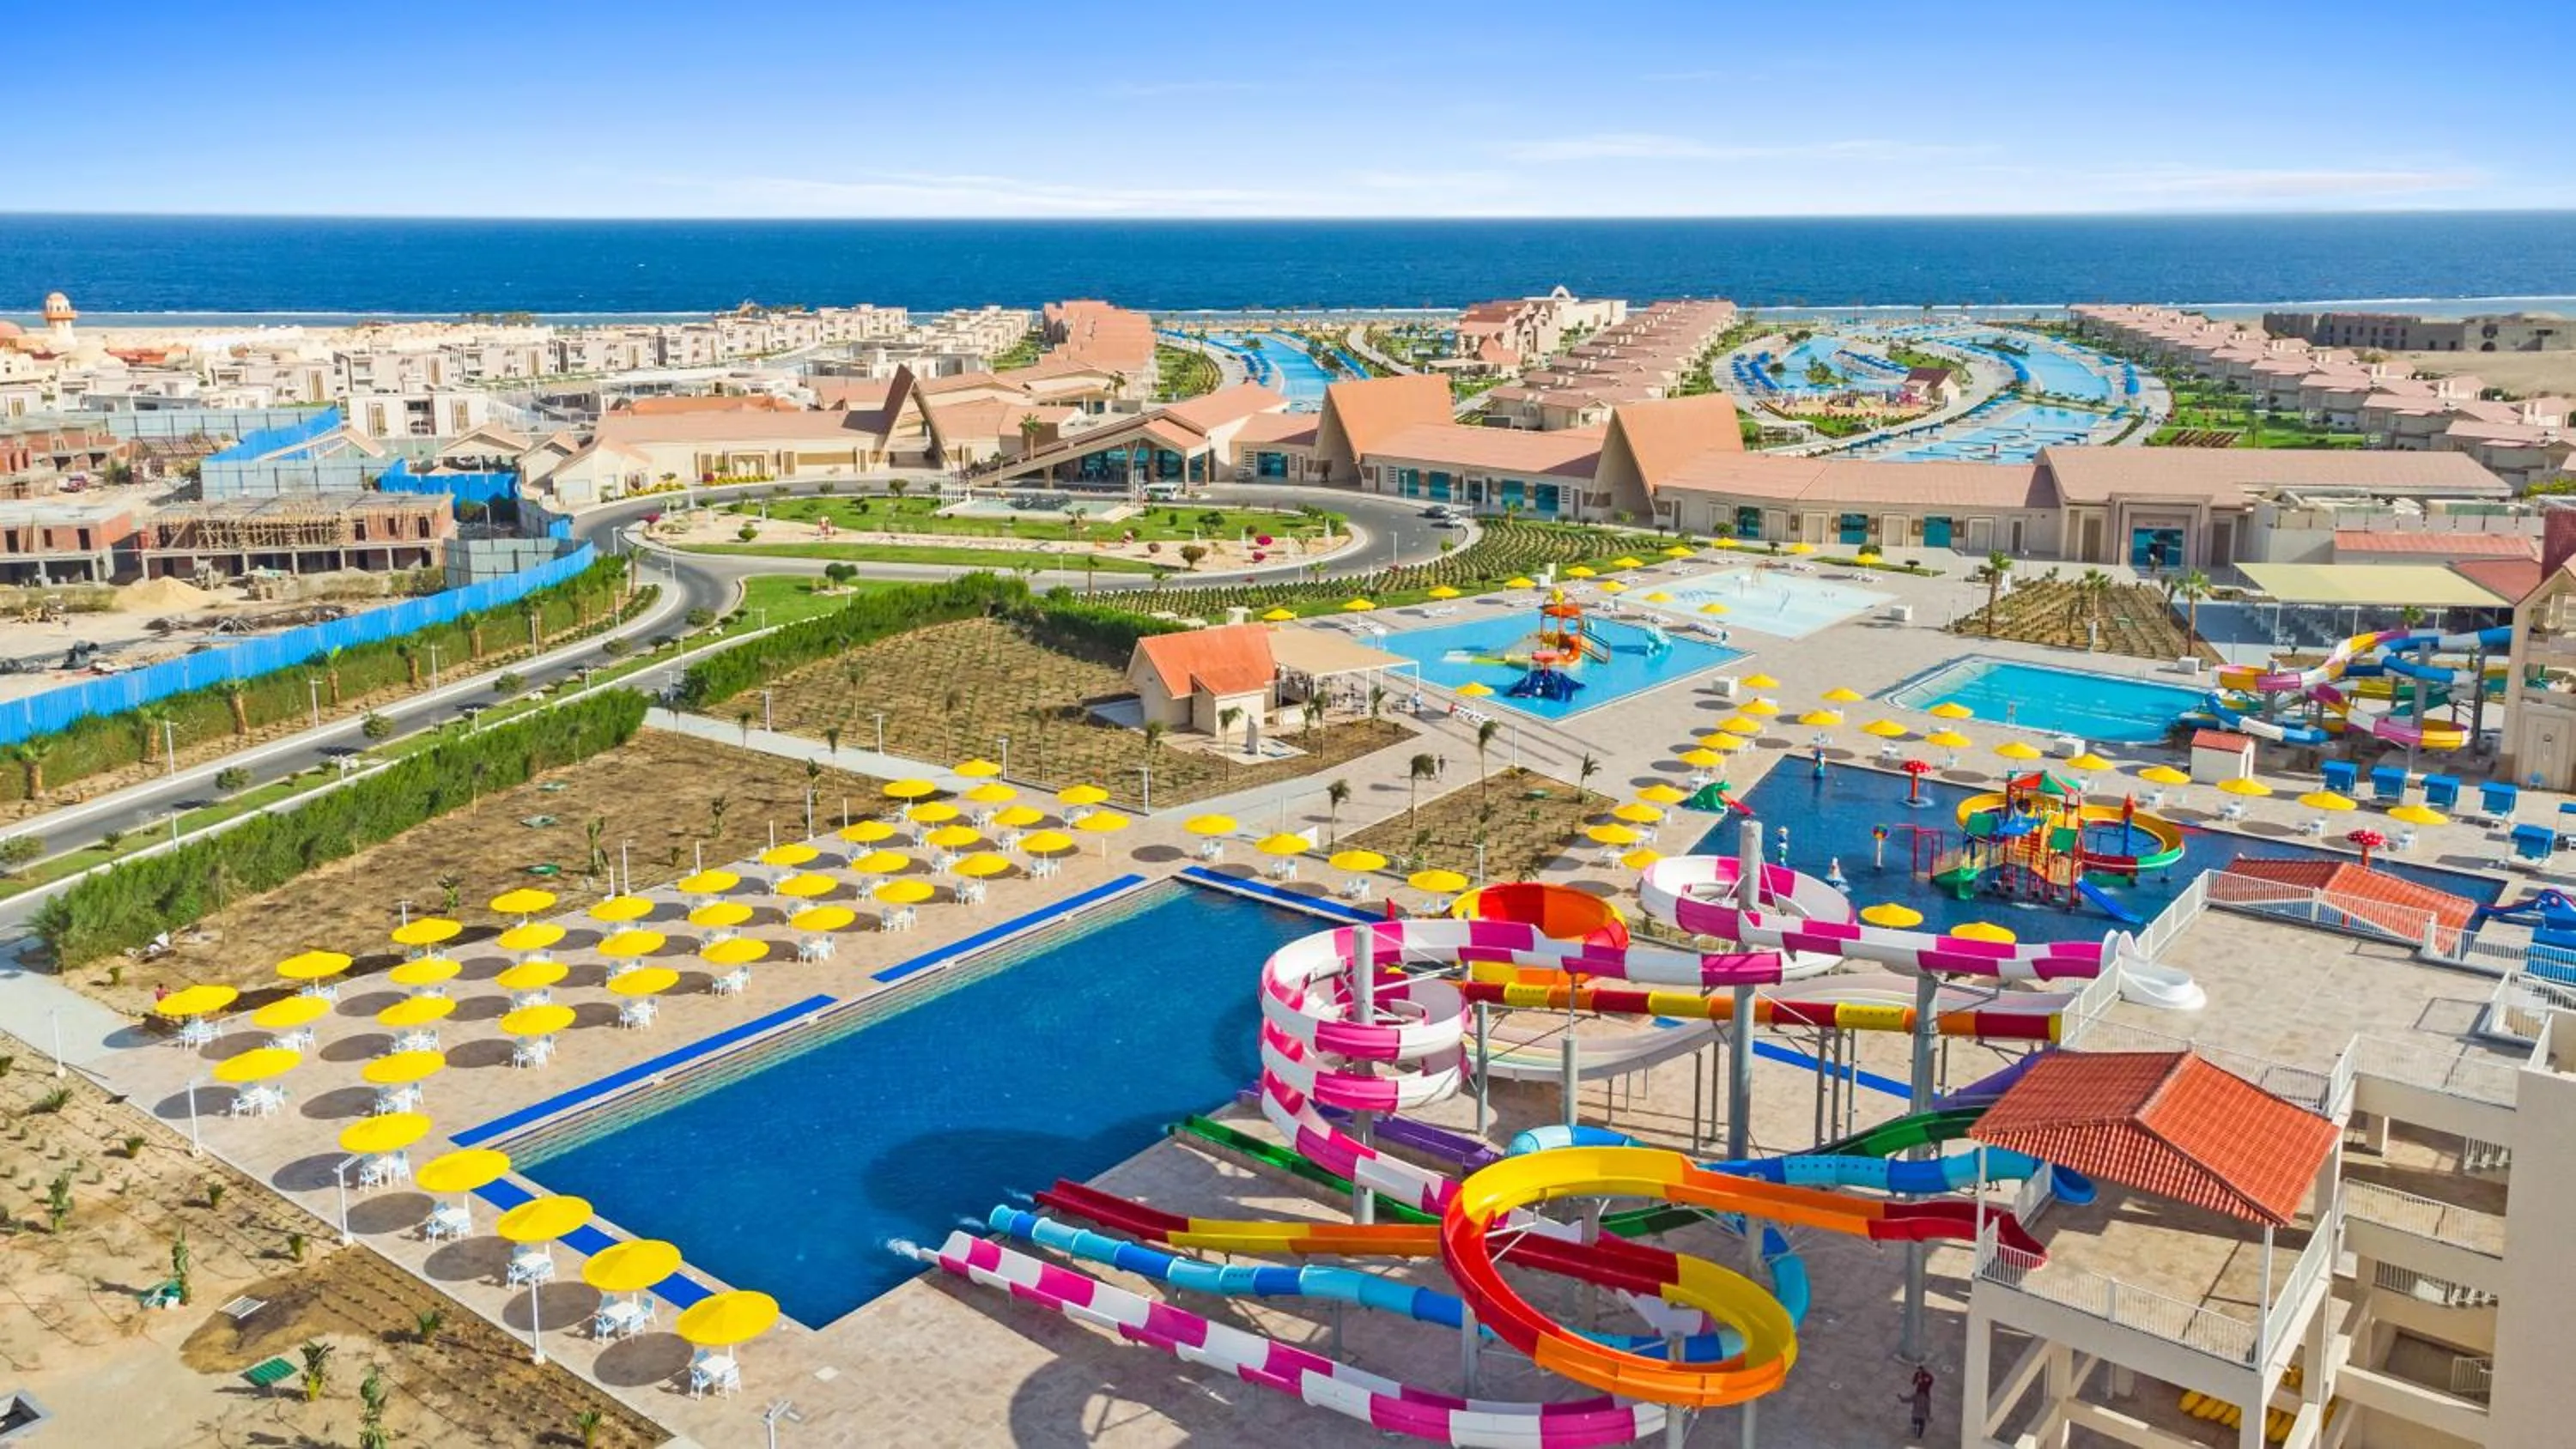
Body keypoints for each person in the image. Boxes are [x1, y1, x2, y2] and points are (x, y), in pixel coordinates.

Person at [1906, 1366, 1935, 1439]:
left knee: (1926, 1405)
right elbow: (1913, 1382)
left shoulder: (1929, 1377)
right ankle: (1915, 1428)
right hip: (1918, 1392)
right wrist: (1916, 1380)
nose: (1920, 1372)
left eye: (1921, 1370)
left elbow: (1931, 1382)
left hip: (1925, 1393)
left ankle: (1919, 1433)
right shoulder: (1918, 1374)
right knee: (1917, 1405)